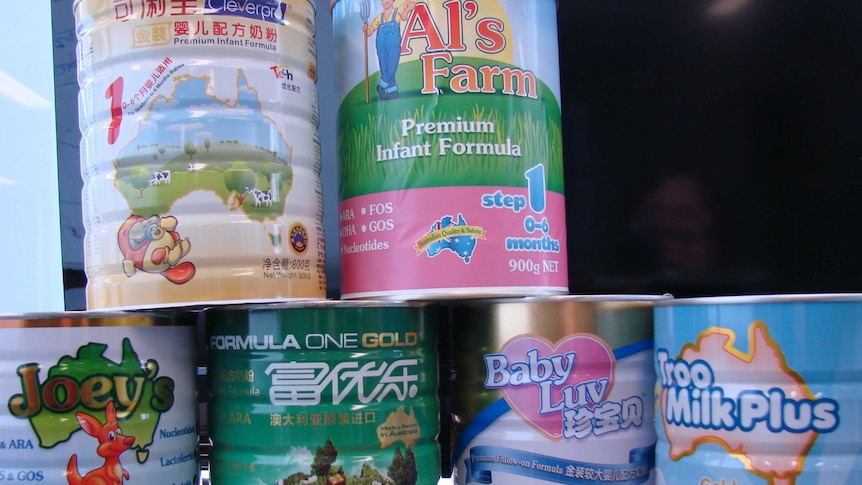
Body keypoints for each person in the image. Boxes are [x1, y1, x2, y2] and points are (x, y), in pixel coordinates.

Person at [363, 0, 417, 100]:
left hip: (393, 43)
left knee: (392, 65)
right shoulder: (379, 17)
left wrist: (405, 12)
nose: (385, 2)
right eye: (383, 0)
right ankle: (392, 92)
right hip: (381, 44)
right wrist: (366, 29)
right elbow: (370, 31)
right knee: (384, 67)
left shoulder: (398, 10)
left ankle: (381, 85)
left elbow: (412, 4)